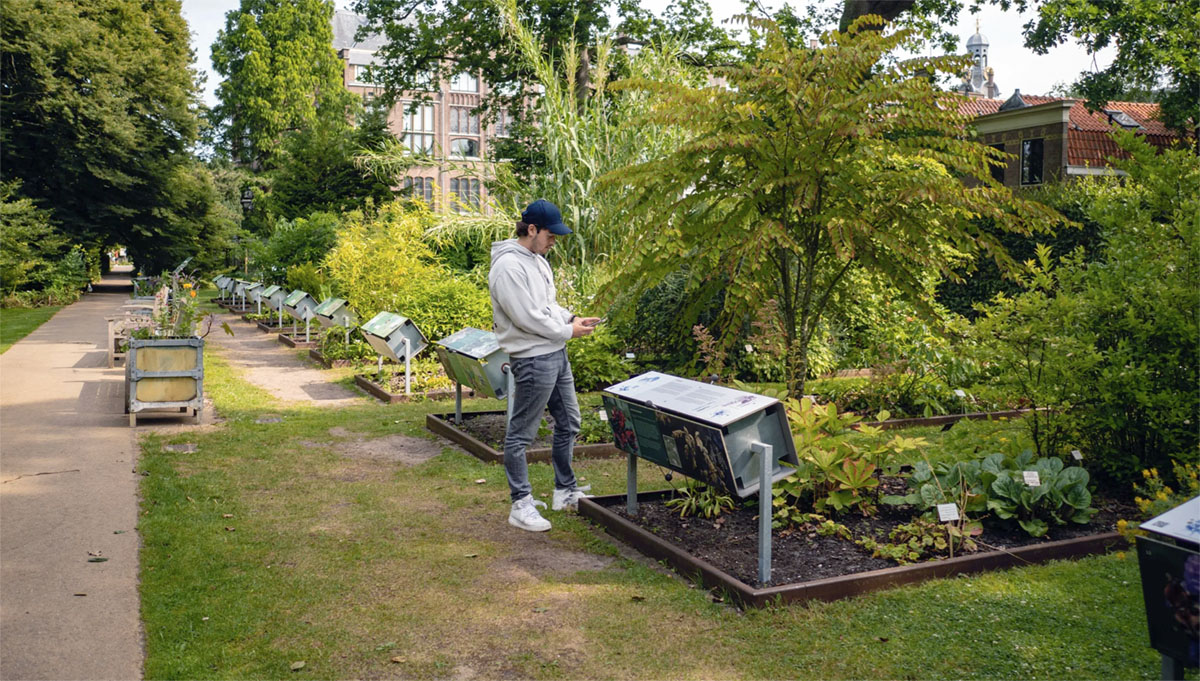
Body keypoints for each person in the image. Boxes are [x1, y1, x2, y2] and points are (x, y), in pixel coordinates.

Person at [489, 199, 600, 532]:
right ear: (532, 229)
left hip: (555, 352)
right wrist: (569, 331)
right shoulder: (508, 267)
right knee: (521, 434)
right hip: (533, 358)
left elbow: (546, 305)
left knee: (570, 422)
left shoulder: (536, 260)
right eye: (551, 235)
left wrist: (571, 317)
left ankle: (564, 491)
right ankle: (520, 504)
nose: (554, 242)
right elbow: (526, 318)